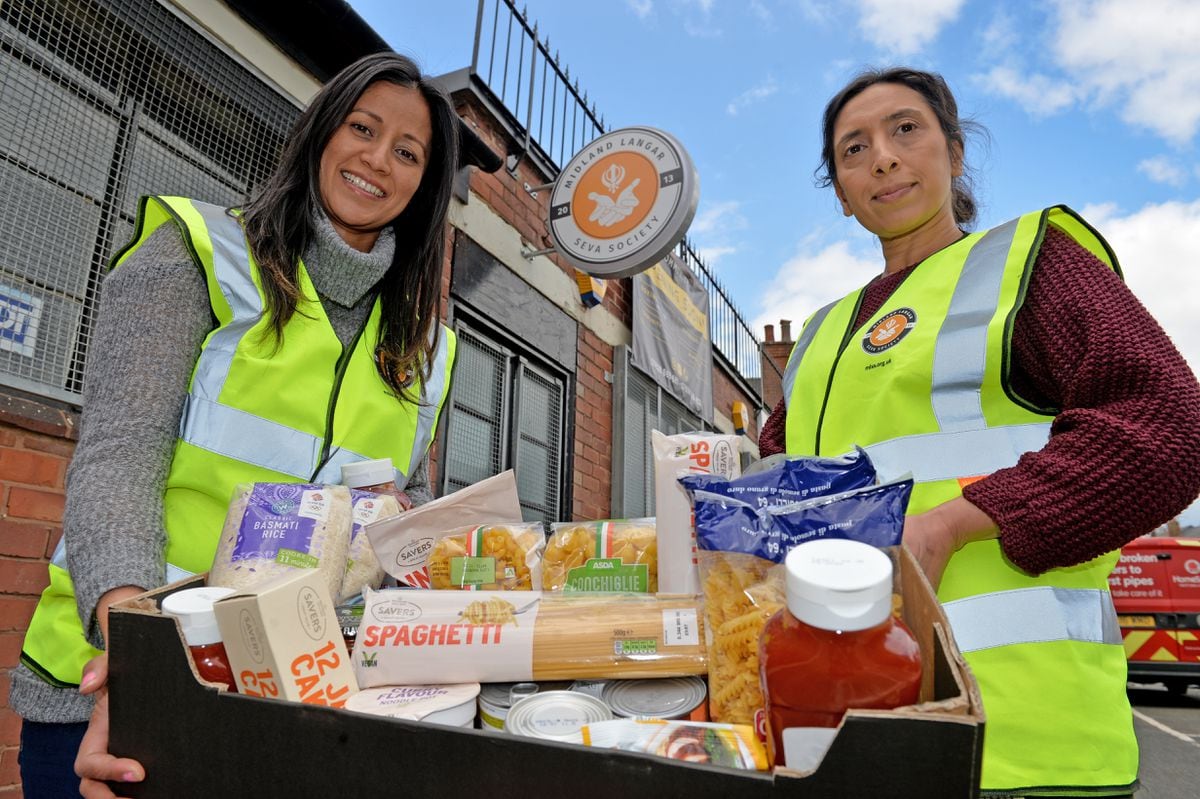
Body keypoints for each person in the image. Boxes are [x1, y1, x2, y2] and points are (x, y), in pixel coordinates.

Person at [9, 51, 461, 798]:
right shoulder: (200, 254)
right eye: (362, 127)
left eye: (407, 152)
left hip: (285, 708)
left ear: (423, 186)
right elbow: (119, 460)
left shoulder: (423, 351)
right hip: (108, 690)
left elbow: (388, 514)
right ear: (320, 132)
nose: (378, 160)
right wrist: (140, 668)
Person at [759, 67, 1200, 797]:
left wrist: (953, 525)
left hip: (1019, 746)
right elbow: (778, 488)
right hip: (845, 737)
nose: (884, 158)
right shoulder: (818, 338)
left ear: (955, 153)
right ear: (840, 194)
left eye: (906, 130)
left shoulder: (1028, 264)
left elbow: (1166, 424)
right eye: (854, 149)